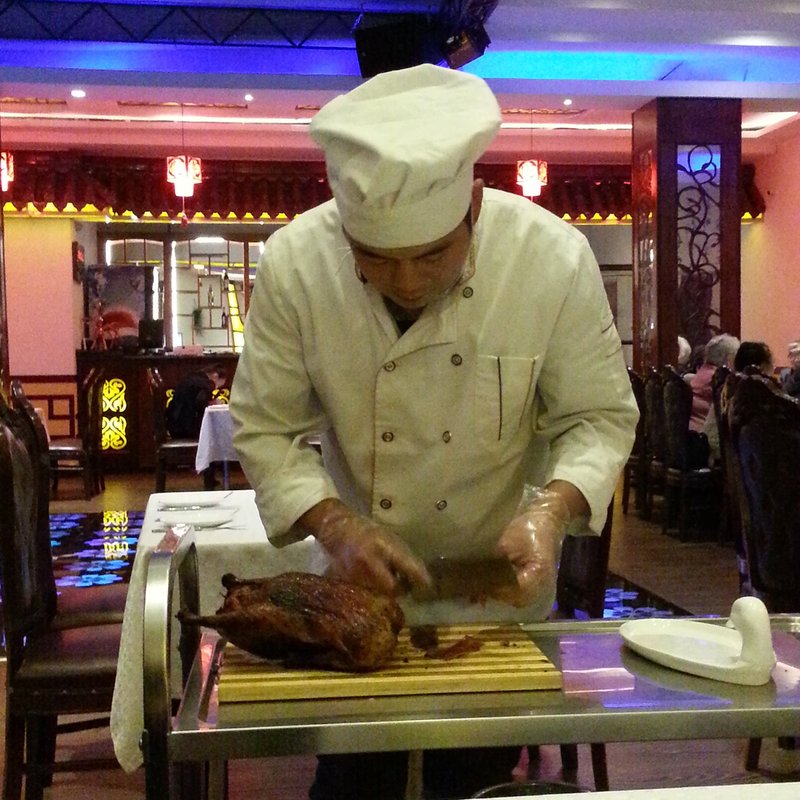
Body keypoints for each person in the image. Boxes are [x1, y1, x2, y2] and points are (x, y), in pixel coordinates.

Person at [230, 64, 638, 800]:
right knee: (351, 783)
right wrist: (337, 526)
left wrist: (550, 512)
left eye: (433, 254)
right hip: (356, 601)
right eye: (376, 258)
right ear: (342, 225)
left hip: (494, 601)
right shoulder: (296, 264)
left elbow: (599, 416)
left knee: (475, 782)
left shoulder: (549, 259)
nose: (408, 281)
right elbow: (264, 426)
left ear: (473, 205)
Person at [687, 333, 740, 431]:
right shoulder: (720, 381)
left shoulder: (700, 374)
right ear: (730, 359)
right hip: (704, 435)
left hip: (689, 431)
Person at [165, 363, 227, 440]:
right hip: (187, 429)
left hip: (173, 424)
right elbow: (201, 403)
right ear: (215, 376)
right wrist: (213, 404)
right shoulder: (206, 384)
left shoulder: (191, 377)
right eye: (218, 386)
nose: (216, 388)